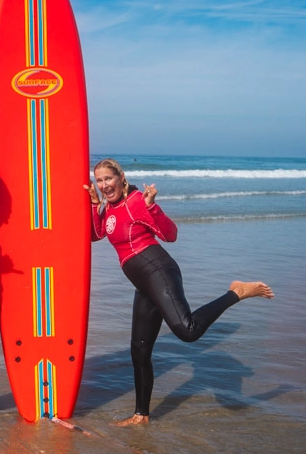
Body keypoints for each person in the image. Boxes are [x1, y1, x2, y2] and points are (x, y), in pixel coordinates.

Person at [83, 158, 274, 426]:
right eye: (99, 180)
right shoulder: (110, 208)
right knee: (139, 351)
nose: (104, 185)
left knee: (188, 331)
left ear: (121, 178)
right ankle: (141, 415)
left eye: (108, 178)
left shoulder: (137, 201)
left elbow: (170, 235)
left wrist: (152, 207)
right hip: (143, 285)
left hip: (158, 271)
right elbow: (96, 234)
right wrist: (94, 204)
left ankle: (237, 292)